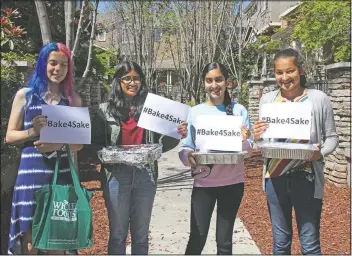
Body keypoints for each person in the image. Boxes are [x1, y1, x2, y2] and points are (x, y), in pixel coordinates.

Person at [91, 61, 188, 255]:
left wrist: (176, 134)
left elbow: (162, 143)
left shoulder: (151, 109)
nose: (132, 82)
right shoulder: (104, 110)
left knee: (141, 236)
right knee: (118, 235)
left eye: (136, 78)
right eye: (127, 78)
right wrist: (107, 155)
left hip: (145, 175)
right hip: (116, 177)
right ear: (118, 81)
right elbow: (93, 145)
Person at [253, 48, 339, 255]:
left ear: (300, 70)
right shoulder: (267, 100)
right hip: (275, 178)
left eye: (289, 71)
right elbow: (261, 143)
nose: (284, 78)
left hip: (307, 179)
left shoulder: (318, 99)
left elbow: (332, 138)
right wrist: (256, 137)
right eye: (279, 73)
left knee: (310, 245)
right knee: (280, 244)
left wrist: (320, 153)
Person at [5, 42, 83, 255]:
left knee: (57, 238)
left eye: (63, 65)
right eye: (52, 63)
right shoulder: (26, 95)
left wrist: (60, 144)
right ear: (43, 64)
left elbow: (79, 144)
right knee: (31, 240)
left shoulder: (72, 100)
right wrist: (33, 132)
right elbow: (9, 136)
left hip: (62, 176)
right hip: (31, 177)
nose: (57, 69)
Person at [178, 62, 252, 255]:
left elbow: (249, 151)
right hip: (203, 184)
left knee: (225, 242)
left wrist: (244, 140)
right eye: (209, 80)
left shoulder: (239, 111)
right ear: (203, 83)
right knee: (197, 238)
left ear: (227, 82)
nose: (214, 85)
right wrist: (189, 157)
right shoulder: (194, 112)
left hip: (233, 184)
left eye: (218, 79)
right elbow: (185, 147)